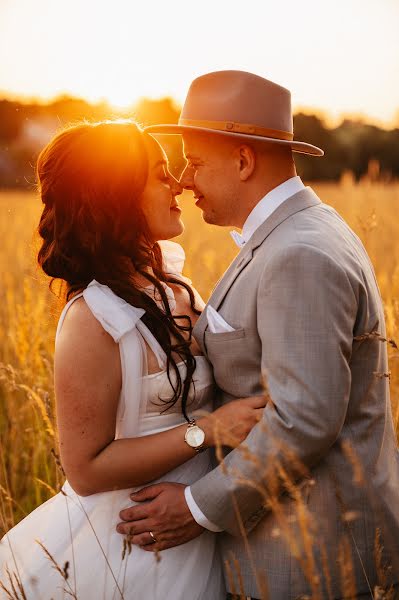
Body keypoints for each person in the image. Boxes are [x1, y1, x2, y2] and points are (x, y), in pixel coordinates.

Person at [117, 70, 399, 599]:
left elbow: (303, 419)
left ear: (244, 160)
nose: (183, 180)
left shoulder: (298, 254)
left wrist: (198, 508)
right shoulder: (302, 230)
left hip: (309, 560)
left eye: (196, 163)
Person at [0, 120, 267, 599]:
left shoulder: (173, 284)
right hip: (135, 545)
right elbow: (84, 469)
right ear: (116, 195)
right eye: (160, 173)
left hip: (197, 524)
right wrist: (208, 431)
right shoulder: (91, 318)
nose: (179, 183)